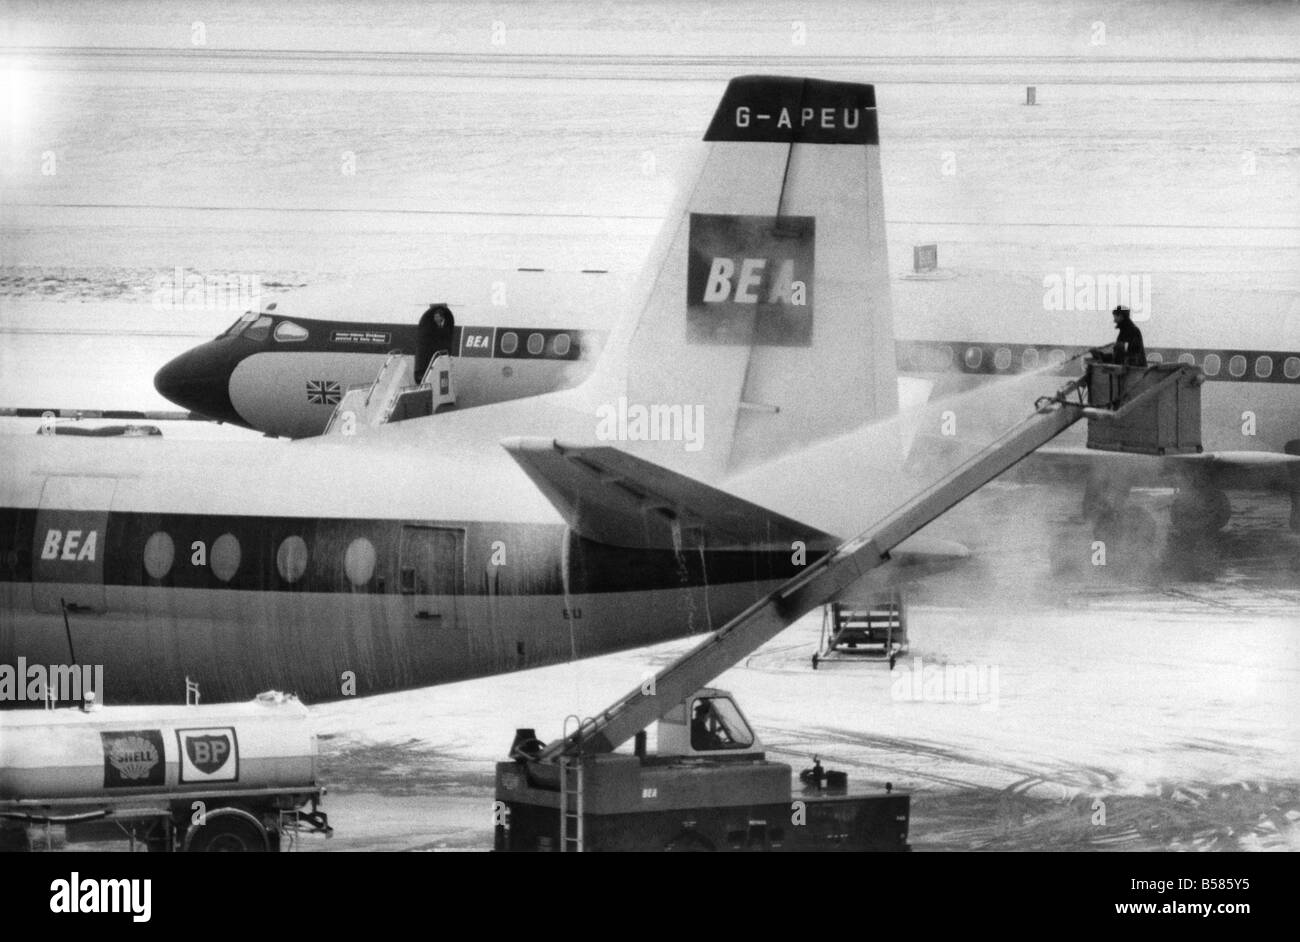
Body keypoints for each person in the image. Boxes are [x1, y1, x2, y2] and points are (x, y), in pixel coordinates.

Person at [415, 304, 455, 382]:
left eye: (437, 317)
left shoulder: (447, 326)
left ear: (442, 317)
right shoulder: (433, 326)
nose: (435, 319)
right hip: (435, 353)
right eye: (434, 317)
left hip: (444, 353)